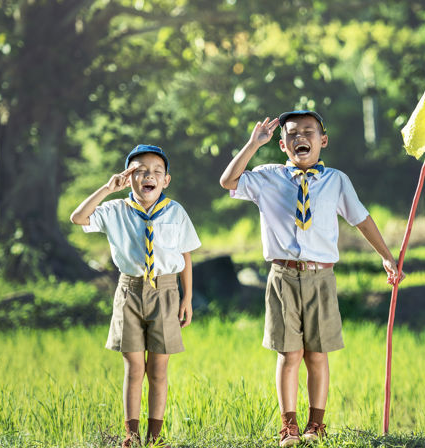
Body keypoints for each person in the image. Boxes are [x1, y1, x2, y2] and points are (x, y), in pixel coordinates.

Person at [219, 111, 403, 446]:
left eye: (308, 132)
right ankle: (288, 426)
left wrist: (386, 256)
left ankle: (315, 426)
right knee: (289, 354)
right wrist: (252, 144)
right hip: (283, 275)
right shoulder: (266, 176)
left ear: (323, 140)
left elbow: (361, 219)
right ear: (282, 144)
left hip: (321, 277)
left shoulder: (336, 180)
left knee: (317, 354)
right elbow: (228, 181)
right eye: (292, 134)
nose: (300, 138)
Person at [70, 144, 201, 447]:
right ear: (128, 177)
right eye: (140, 170)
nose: (148, 176)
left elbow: (186, 254)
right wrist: (106, 188)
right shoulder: (115, 210)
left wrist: (187, 297)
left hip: (167, 291)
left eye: (156, 171)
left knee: (158, 369)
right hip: (129, 291)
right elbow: (78, 218)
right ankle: (131, 436)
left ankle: (155, 437)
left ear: (166, 180)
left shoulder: (176, 212)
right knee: (134, 368)